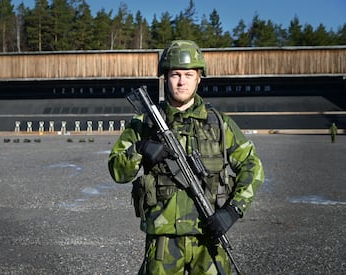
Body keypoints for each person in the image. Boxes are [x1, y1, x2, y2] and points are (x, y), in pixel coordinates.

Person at [108, 40, 264, 275]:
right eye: (175, 74)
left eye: (189, 74)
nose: (182, 81)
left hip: (209, 237)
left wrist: (233, 210)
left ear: (199, 78)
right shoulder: (144, 124)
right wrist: (140, 149)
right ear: (165, 78)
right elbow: (117, 171)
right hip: (163, 240)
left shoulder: (219, 123)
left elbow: (253, 166)